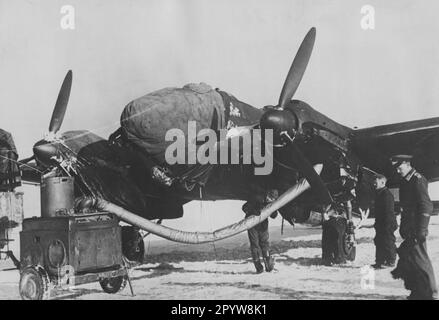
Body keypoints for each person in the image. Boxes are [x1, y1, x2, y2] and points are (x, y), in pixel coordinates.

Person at [390, 155, 438, 300]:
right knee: (411, 259)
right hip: (408, 227)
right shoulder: (405, 181)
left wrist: (422, 229)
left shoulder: (418, 180)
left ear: (407, 164)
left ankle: (431, 292)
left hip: (417, 227)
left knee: (420, 259)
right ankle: (418, 291)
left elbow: (426, 205)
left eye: (400, 167)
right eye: (396, 168)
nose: (398, 171)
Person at [242, 190, 278, 273]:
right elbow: (245, 207)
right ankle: (259, 268)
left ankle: (269, 266)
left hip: (263, 225)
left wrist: (273, 210)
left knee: (265, 244)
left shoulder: (271, 203)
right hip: (252, 224)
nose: (270, 200)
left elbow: (274, 215)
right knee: (255, 245)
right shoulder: (257, 198)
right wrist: (253, 211)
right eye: (270, 197)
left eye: (272, 199)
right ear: (267, 194)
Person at [372, 174, 397, 269]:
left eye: (376, 181)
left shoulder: (386, 194)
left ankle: (390, 261)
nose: (374, 183)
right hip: (381, 222)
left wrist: (386, 225)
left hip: (387, 222)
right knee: (379, 241)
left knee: (388, 241)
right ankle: (380, 261)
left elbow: (388, 212)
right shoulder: (379, 193)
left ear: (382, 182)